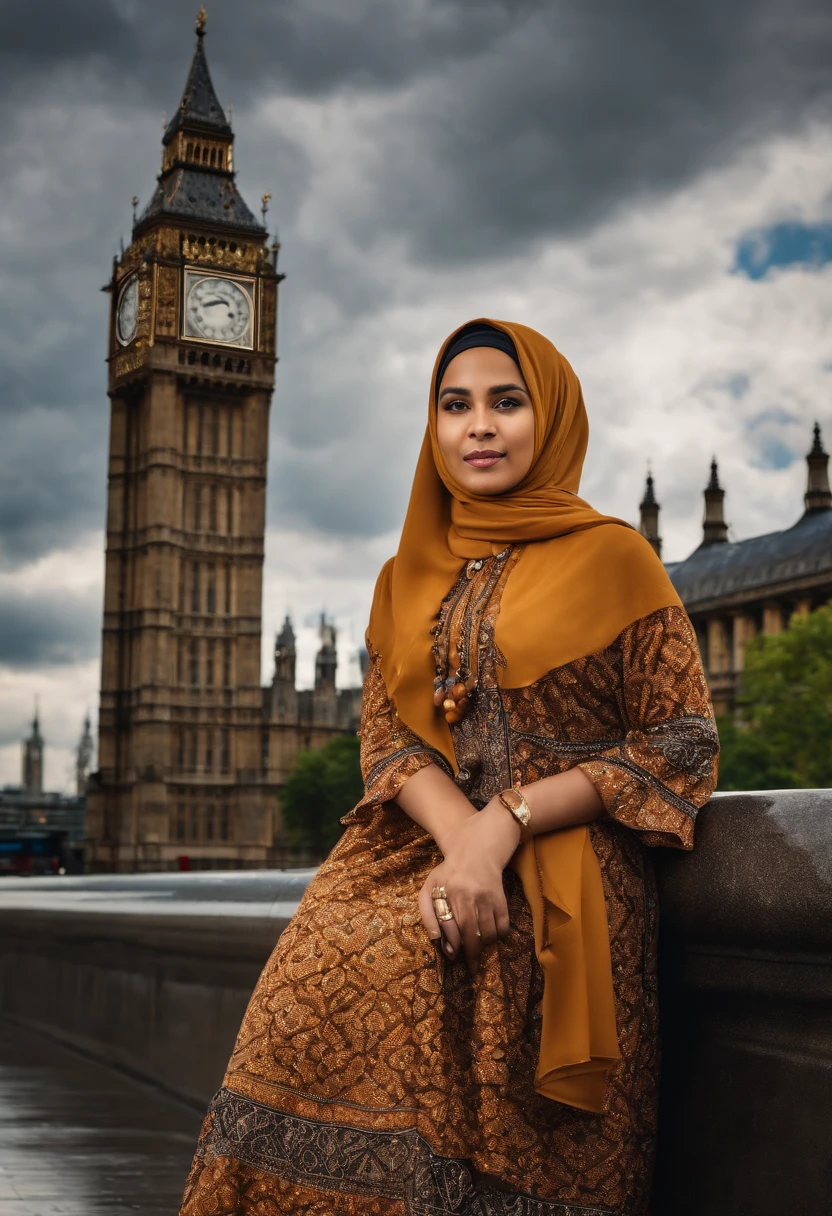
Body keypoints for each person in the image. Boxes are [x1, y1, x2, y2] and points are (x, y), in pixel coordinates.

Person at [180, 319, 718, 1216]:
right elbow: (391, 742)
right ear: (431, 427)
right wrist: (461, 841)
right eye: (454, 404)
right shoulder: (404, 576)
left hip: (566, 861)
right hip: (422, 846)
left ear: (550, 419)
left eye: (507, 403)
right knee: (315, 973)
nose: (479, 426)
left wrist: (503, 823)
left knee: (433, 969)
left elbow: (682, 741)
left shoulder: (617, 556)